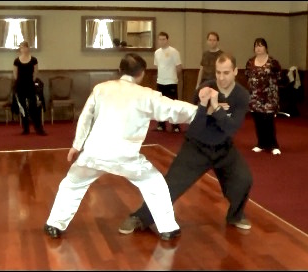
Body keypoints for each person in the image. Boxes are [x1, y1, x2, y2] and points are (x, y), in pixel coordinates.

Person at [43, 53, 198, 241]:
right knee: (155, 183)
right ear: (141, 74)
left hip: (94, 153)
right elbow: (174, 109)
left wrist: (76, 145)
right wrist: (203, 112)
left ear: (119, 70)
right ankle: (168, 228)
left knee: (72, 184)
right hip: (126, 157)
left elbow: (85, 117)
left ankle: (54, 225)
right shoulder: (146, 95)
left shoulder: (101, 89)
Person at [118, 52, 254, 236]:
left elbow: (231, 128)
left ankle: (235, 216)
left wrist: (214, 108)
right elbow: (196, 125)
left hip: (224, 147)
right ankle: (140, 217)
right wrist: (206, 104)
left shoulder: (241, 95)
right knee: (171, 184)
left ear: (236, 72)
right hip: (197, 146)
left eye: (226, 73)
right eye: (218, 72)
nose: (221, 78)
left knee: (243, 179)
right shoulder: (205, 89)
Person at [244, 37, 282, 155]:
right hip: (255, 97)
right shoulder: (250, 62)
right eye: (256, 46)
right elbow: (247, 76)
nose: (258, 48)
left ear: (266, 47)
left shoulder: (273, 62)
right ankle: (261, 143)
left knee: (268, 120)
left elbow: (278, 77)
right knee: (258, 120)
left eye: (260, 45)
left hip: (269, 97)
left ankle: (273, 145)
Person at [13, 41, 47, 136]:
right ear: (20, 49)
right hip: (20, 86)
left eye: (25, 47)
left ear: (28, 48)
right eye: (21, 47)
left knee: (34, 107)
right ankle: (26, 128)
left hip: (30, 85)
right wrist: (19, 82)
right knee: (23, 108)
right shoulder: (16, 61)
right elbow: (15, 74)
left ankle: (38, 128)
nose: (23, 49)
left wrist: (32, 80)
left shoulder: (33, 60)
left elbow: (36, 72)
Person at [154, 31, 183, 133]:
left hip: (171, 82)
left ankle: (175, 126)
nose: (161, 41)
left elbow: (179, 67)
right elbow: (158, 66)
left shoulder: (174, 52)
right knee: (161, 104)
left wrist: (174, 77)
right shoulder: (157, 53)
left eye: (163, 39)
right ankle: (161, 125)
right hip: (160, 82)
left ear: (167, 40)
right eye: (160, 39)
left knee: (173, 104)